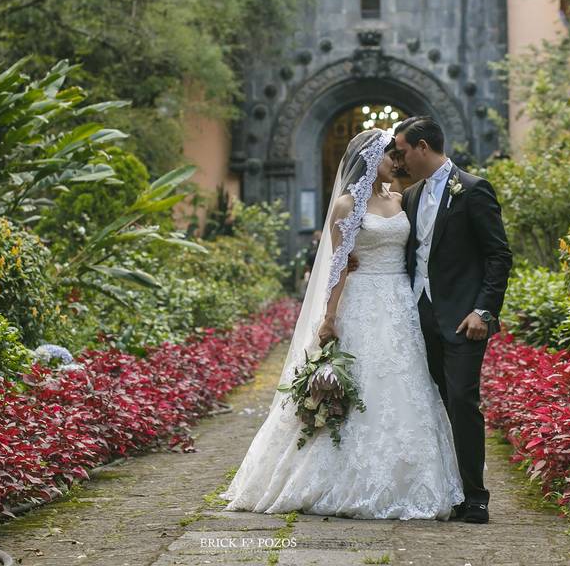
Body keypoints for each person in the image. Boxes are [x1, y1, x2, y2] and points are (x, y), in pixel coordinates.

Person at [219, 128, 464, 521]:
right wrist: (329, 318)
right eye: (389, 157)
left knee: (406, 385)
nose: (396, 163)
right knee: (360, 384)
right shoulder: (347, 207)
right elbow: (337, 267)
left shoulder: (402, 198)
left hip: (399, 302)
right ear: (369, 160)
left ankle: (411, 478)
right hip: (361, 301)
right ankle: (333, 477)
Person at [390, 115, 513, 524]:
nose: (399, 158)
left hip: (464, 320)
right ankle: (445, 488)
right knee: (429, 404)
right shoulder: (410, 196)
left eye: (403, 150)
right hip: (417, 314)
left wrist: (483, 310)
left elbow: (499, 255)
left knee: (462, 401)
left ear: (423, 147)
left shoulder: (474, 190)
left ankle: (476, 497)